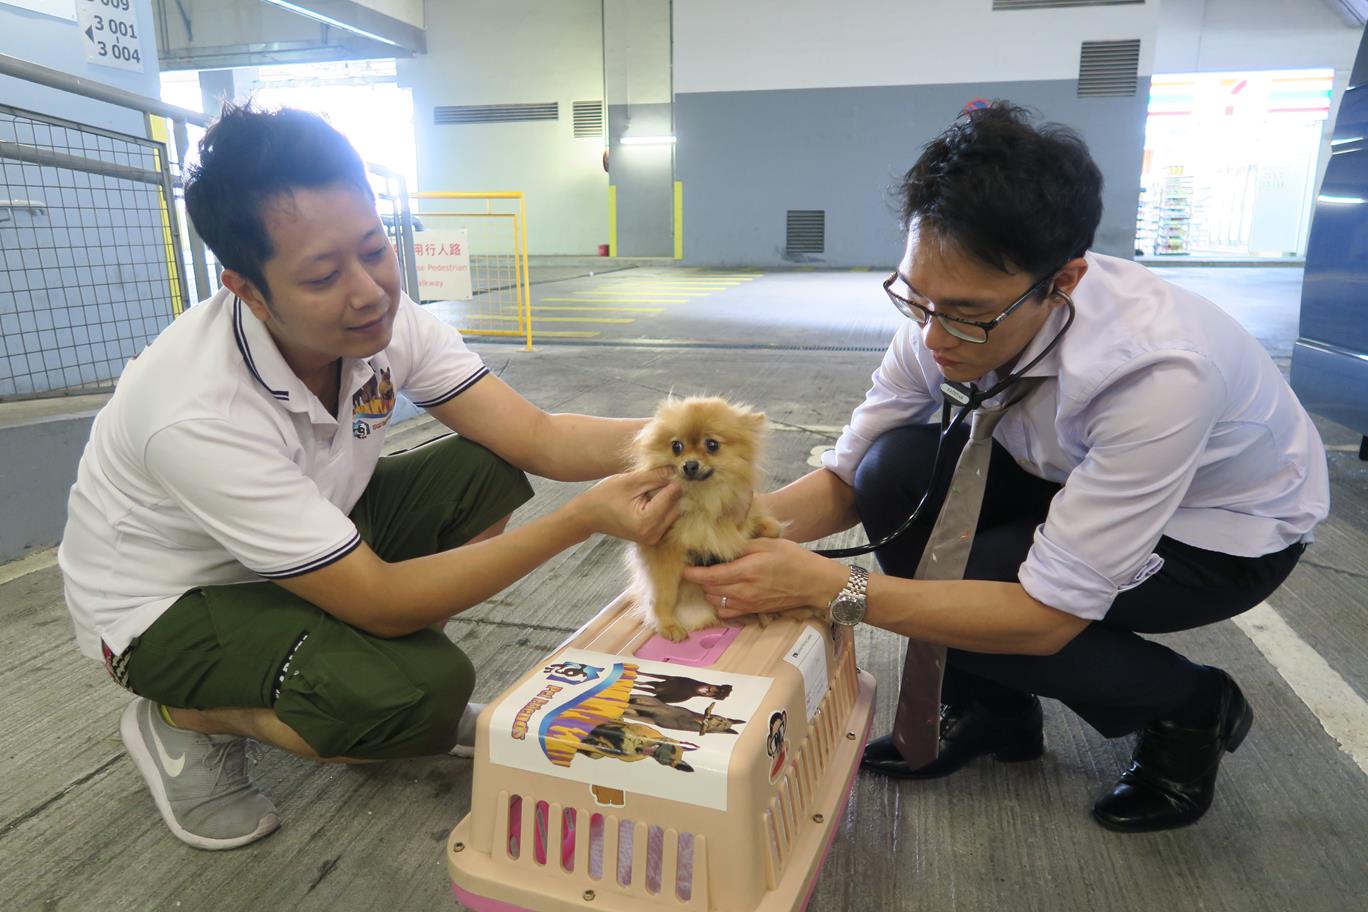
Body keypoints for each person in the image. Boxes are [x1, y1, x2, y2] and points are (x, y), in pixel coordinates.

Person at [683, 103, 1329, 832]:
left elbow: (1044, 616)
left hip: (1218, 535)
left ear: (1066, 280)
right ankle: (992, 707)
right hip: (1064, 468)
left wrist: (840, 587)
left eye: (965, 313)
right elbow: (848, 474)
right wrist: (718, 533)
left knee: (980, 595)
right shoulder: (945, 312)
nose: (933, 335)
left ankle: (1188, 706)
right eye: (915, 299)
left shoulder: (1160, 374)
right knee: (894, 471)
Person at [56, 104, 680, 851]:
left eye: (375, 248)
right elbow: (381, 602)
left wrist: (688, 444)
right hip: (174, 604)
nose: (369, 291)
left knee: (483, 467)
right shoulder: (197, 409)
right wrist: (580, 519)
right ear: (248, 290)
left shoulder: (384, 317)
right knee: (420, 694)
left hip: (316, 535)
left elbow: (536, 437)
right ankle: (184, 717)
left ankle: (357, 686)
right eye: (324, 274)